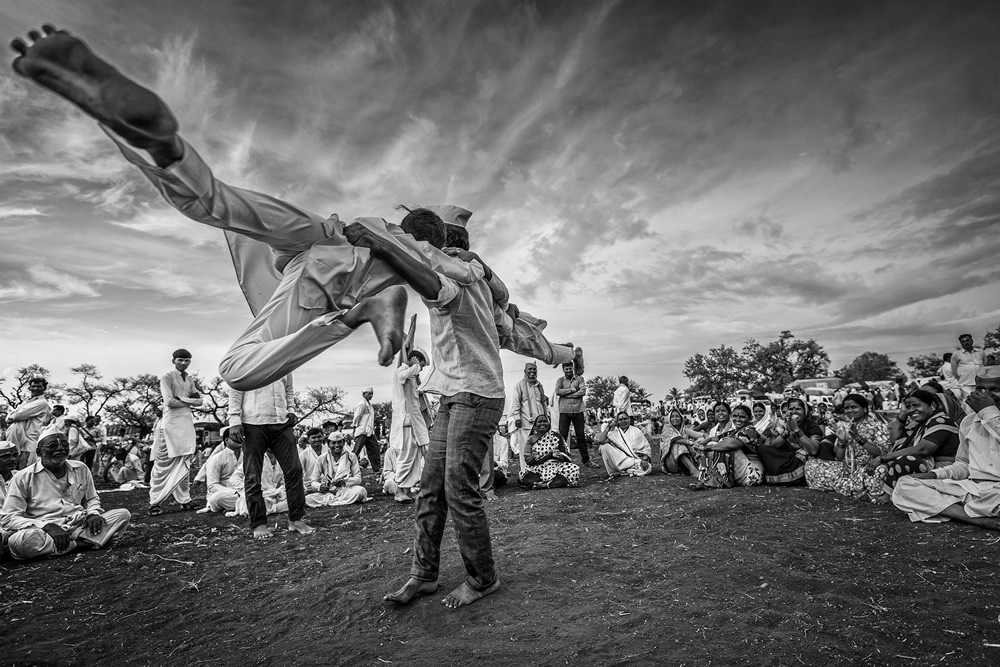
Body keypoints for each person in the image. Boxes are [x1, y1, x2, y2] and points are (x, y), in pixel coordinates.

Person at [892, 367, 1000, 528]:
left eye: (995, 389)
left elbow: (924, 449)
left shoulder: (983, 415)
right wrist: (933, 475)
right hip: (973, 489)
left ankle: (958, 509)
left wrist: (988, 412)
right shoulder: (969, 422)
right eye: (980, 389)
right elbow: (964, 464)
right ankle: (975, 518)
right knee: (905, 485)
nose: (985, 394)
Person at [0, 432, 131, 561]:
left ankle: (64, 546)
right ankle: (86, 544)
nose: (60, 449)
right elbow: (9, 517)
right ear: (39, 452)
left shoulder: (81, 468)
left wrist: (93, 513)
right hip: (44, 533)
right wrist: (46, 526)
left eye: (64, 445)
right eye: (52, 445)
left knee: (122, 515)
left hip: (79, 526)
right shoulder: (23, 477)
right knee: (22, 541)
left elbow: (91, 498)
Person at [227, 374, 312, 538]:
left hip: (281, 421)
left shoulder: (283, 358)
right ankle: (259, 523)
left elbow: (288, 389)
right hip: (253, 421)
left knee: (294, 469)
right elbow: (236, 386)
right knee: (252, 474)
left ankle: (296, 519)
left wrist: (291, 410)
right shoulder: (247, 356)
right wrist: (234, 420)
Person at [804, 394, 891, 502]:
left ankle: (852, 487)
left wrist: (858, 437)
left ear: (864, 409)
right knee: (811, 465)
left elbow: (882, 453)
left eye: (853, 407)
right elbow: (839, 457)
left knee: (881, 470)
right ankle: (855, 487)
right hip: (847, 469)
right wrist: (841, 441)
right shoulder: (845, 426)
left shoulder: (878, 426)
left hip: (868, 467)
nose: (850, 410)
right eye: (847, 408)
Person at [148, 349, 202, 516]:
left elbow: (200, 401)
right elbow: (169, 402)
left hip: (186, 423)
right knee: (163, 463)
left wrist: (182, 399)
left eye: (187, 361)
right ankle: (155, 501)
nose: (184, 363)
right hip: (170, 425)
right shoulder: (167, 377)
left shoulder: (190, 379)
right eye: (180, 360)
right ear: (174, 361)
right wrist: (188, 401)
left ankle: (184, 500)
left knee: (184, 463)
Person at [878, 389, 960, 495]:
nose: (911, 410)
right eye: (908, 407)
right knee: (892, 462)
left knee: (904, 460)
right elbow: (895, 440)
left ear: (932, 405)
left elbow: (923, 449)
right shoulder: (922, 424)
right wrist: (903, 414)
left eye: (916, 405)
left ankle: (890, 495)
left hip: (944, 470)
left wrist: (883, 458)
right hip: (931, 467)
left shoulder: (942, 421)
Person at [388, 349, 431, 503]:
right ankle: (399, 491)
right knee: (406, 458)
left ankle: (408, 490)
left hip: (415, 423)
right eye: (422, 364)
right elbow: (402, 375)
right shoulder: (401, 371)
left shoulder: (412, 375)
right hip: (406, 424)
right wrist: (415, 367)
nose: (421, 368)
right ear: (414, 359)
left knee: (415, 458)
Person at [690, 403, 763, 490]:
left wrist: (706, 448)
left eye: (742, 417)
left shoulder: (750, 431)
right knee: (715, 444)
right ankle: (707, 479)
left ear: (750, 418)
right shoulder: (735, 431)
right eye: (735, 416)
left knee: (723, 447)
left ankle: (718, 481)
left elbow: (731, 444)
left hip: (753, 474)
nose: (738, 419)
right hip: (742, 471)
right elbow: (717, 438)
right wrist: (706, 441)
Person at [305, 431, 368, 507]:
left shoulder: (351, 456)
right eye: (333, 443)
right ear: (328, 444)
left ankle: (332, 501)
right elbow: (313, 481)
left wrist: (345, 482)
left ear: (343, 442)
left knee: (361, 491)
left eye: (339, 442)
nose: (337, 445)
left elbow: (358, 478)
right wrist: (320, 486)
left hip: (345, 490)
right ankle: (337, 500)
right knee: (307, 499)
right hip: (328, 492)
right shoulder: (322, 458)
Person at [517, 414, 580, 489]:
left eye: (545, 421)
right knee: (523, 475)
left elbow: (567, 456)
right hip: (537, 468)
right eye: (540, 422)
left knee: (574, 469)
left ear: (549, 424)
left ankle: (544, 485)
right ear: (535, 425)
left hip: (556, 467)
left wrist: (560, 456)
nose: (542, 423)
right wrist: (549, 455)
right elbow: (529, 461)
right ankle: (557, 483)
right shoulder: (531, 439)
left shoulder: (556, 436)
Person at [554, 362, 597, 468]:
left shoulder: (580, 379)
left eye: (570, 368)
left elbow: (583, 392)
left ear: (572, 368)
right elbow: (558, 391)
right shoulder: (560, 380)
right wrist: (572, 390)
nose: (568, 370)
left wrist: (567, 394)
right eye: (566, 369)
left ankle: (586, 460)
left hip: (578, 410)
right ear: (563, 369)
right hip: (564, 410)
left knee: (581, 436)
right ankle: (562, 461)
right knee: (562, 437)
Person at [5, 376, 52, 469]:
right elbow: (10, 416)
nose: (35, 388)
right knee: (14, 472)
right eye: (33, 386)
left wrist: (12, 417)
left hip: (29, 442)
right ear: (29, 388)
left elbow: (17, 415)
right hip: (18, 440)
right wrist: (11, 417)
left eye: (39, 386)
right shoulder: (27, 401)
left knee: (24, 472)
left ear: (44, 388)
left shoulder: (42, 403)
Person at [595, 412, 652, 477]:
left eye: (625, 419)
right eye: (620, 420)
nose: (623, 421)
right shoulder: (614, 432)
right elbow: (601, 440)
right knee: (604, 447)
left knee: (648, 468)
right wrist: (609, 426)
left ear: (629, 419)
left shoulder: (636, 431)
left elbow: (646, 449)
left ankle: (623, 471)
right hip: (620, 459)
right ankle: (617, 470)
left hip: (634, 460)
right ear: (617, 422)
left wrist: (644, 459)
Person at [510, 362, 549, 459]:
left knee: (541, 447)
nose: (532, 371)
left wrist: (547, 417)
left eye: (534, 369)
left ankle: (539, 470)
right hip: (526, 422)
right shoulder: (519, 385)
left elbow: (543, 403)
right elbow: (516, 403)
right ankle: (525, 471)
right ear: (525, 371)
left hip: (540, 423)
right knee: (525, 448)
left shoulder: (539, 386)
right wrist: (517, 418)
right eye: (530, 369)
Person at [200, 426, 243, 513]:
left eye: (241, 436)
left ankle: (241, 505)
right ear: (226, 440)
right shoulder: (217, 458)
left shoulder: (247, 455)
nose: (239, 439)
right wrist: (233, 492)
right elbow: (212, 485)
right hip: (227, 494)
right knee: (216, 498)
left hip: (244, 492)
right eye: (235, 437)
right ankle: (243, 505)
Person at [659, 408, 701, 476]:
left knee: (700, 443)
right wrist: (690, 442)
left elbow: (699, 435)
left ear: (681, 418)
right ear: (669, 419)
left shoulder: (684, 431)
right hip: (671, 464)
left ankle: (697, 467)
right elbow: (675, 439)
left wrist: (703, 438)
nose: (675, 418)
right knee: (677, 444)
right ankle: (693, 470)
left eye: (677, 416)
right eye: (672, 417)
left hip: (684, 465)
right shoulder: (666, 431)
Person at [951, 334, 985, 399]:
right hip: (966, 385)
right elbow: (954, 371)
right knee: (969, 402)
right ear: (961, 343)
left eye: (967, 340)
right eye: (963, 342)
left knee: (983, 401)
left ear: (972, 341)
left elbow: (985, 364)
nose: (966, 343)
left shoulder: (980, 352)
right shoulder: (956, 355)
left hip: (981, 383)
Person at [352, 388, 378, 470]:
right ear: (364, 394)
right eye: (369, 394)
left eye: (372, 394)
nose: (371, 396)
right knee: (356, 451)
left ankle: (377, 468)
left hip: (369, 431)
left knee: (375, 449)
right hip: (362, 430)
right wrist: (355, 427)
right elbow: (357, 417)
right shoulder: (362, 404)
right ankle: (347, 467)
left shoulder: (369, 404)